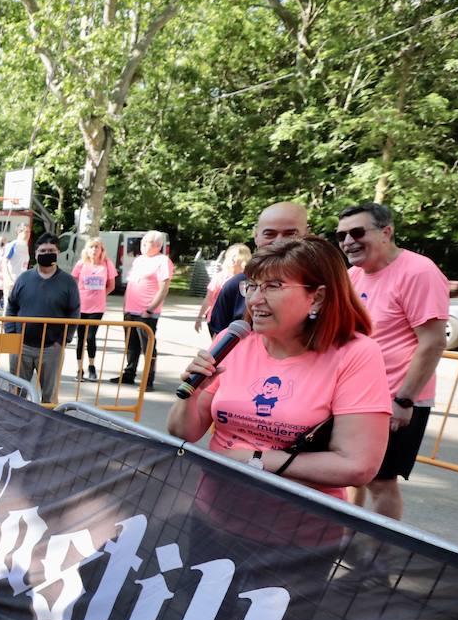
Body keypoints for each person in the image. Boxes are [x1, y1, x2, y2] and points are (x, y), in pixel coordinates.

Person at [167, 235, 390, 501]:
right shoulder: (233, 339)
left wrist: (255, 459)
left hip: (301, 528)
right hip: (214, 508)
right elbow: (184, 433)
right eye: (251, 286)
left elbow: (358, 466)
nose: (255, 300)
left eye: (273, 286)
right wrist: (191, 394)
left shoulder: (355, 354)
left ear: (317, 297)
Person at [338, 203, 450, 520]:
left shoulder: (419, 272)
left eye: (357, 232)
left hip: (395, 399)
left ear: (386, 232)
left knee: (380, 480)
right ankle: (346, 539)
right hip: (356, 398)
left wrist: (404, 399)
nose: (348, 241)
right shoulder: (353, 275)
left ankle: (379, 560)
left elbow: (433, 342)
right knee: (349, 470)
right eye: (342, 235)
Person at [208, 202, 309, 336]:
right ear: (256, 237)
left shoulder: (321, 284)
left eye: (290, 234)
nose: (279, 242)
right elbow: (218, 340)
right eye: (270, 234)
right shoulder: (235, 286)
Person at [5, 235, 80, 402]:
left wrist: (63, 340)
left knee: (49, 396)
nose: (47, 253)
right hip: (21, 345)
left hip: (51, 348)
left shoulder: (68, 282)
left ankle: (47, 427)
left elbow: (74, 312)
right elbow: (11, 306)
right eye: (43, 250)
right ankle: (14, 425)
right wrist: (11, 333)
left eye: (51, 250)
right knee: (15, 393)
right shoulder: (24, 279)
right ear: (36, 253)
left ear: (58, 252)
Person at [113, 231, 173, 386]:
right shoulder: (139, 260)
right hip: (130, 310)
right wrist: (125, 305)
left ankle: (148, 378)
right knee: (131, 344)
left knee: (148, 346)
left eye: (149, 242)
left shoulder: (163, 261)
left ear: (158, 245)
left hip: (146, 312)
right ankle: (129, 373)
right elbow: (131, 283)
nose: (144, 244)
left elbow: (163, 288)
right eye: (144, 241)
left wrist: (151, 309)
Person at [70, 236, 116, 380]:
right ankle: (79, 369)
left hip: (97, 308)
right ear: (87, 250)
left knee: (91, 337)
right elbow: (73, 283)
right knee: (81, 338)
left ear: (102, 250)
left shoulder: (107, 264)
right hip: (81, 307)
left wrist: (101, 295)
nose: (94, 250)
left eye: (97, 247)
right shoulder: (81, 264)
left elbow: (111, 285)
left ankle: (91, 366)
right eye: (91, 247)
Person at [196, 244, 251, 334]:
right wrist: (199, 318)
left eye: (237, 255)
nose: (234, 259)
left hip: (239, 322)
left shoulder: (250, 279)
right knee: (220, 346)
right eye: (232, 256)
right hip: (218, 320)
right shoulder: (220, 277)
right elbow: (208, 299)